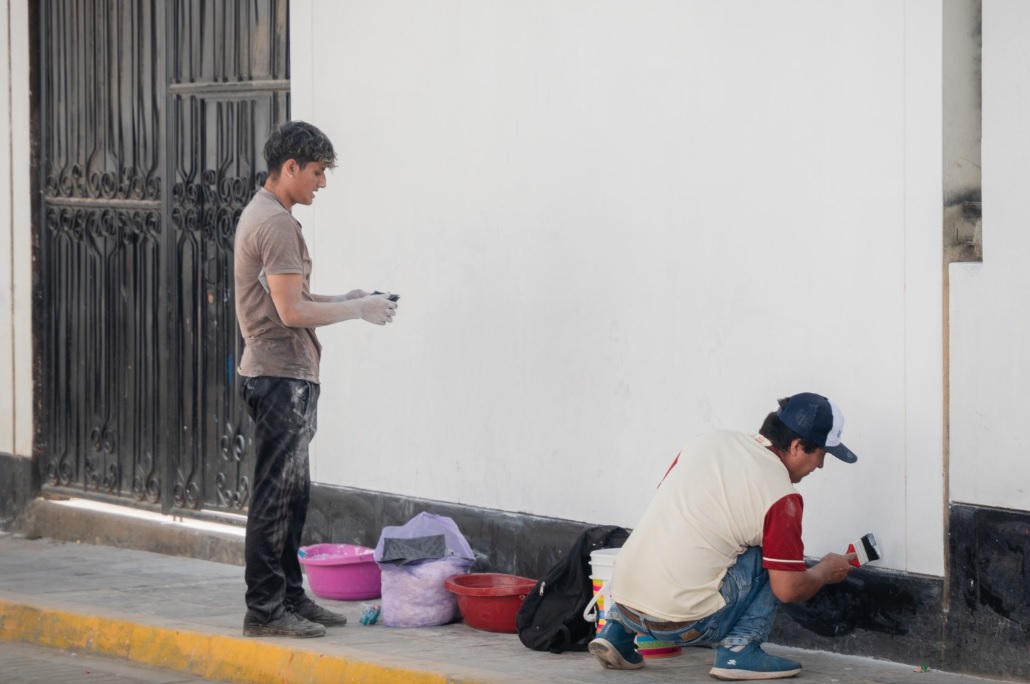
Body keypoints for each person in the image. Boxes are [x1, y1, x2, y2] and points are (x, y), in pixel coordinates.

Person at [234, 120, 399, 638]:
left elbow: (298, 300)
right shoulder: (275, 223)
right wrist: (356, 312)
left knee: (293, 496)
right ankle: (264, 610)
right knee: (274, 498)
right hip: (279, 377)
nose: (322, 183)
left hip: (289, 377)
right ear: (290, 168)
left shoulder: (272, 215)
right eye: (317, 171)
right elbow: (289, 312)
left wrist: (349, 300)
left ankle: (288, 597)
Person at [589, 392, 859, 680]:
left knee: (671, 523)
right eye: (821, 455)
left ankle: (616, 630)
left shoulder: (708, 442)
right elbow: (788, 589)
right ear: (796, 446)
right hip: (683, 624)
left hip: (624, 600)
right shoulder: (781, 496)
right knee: (770, 556)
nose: (820, 466)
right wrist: (825, 571)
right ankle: (739, 651)